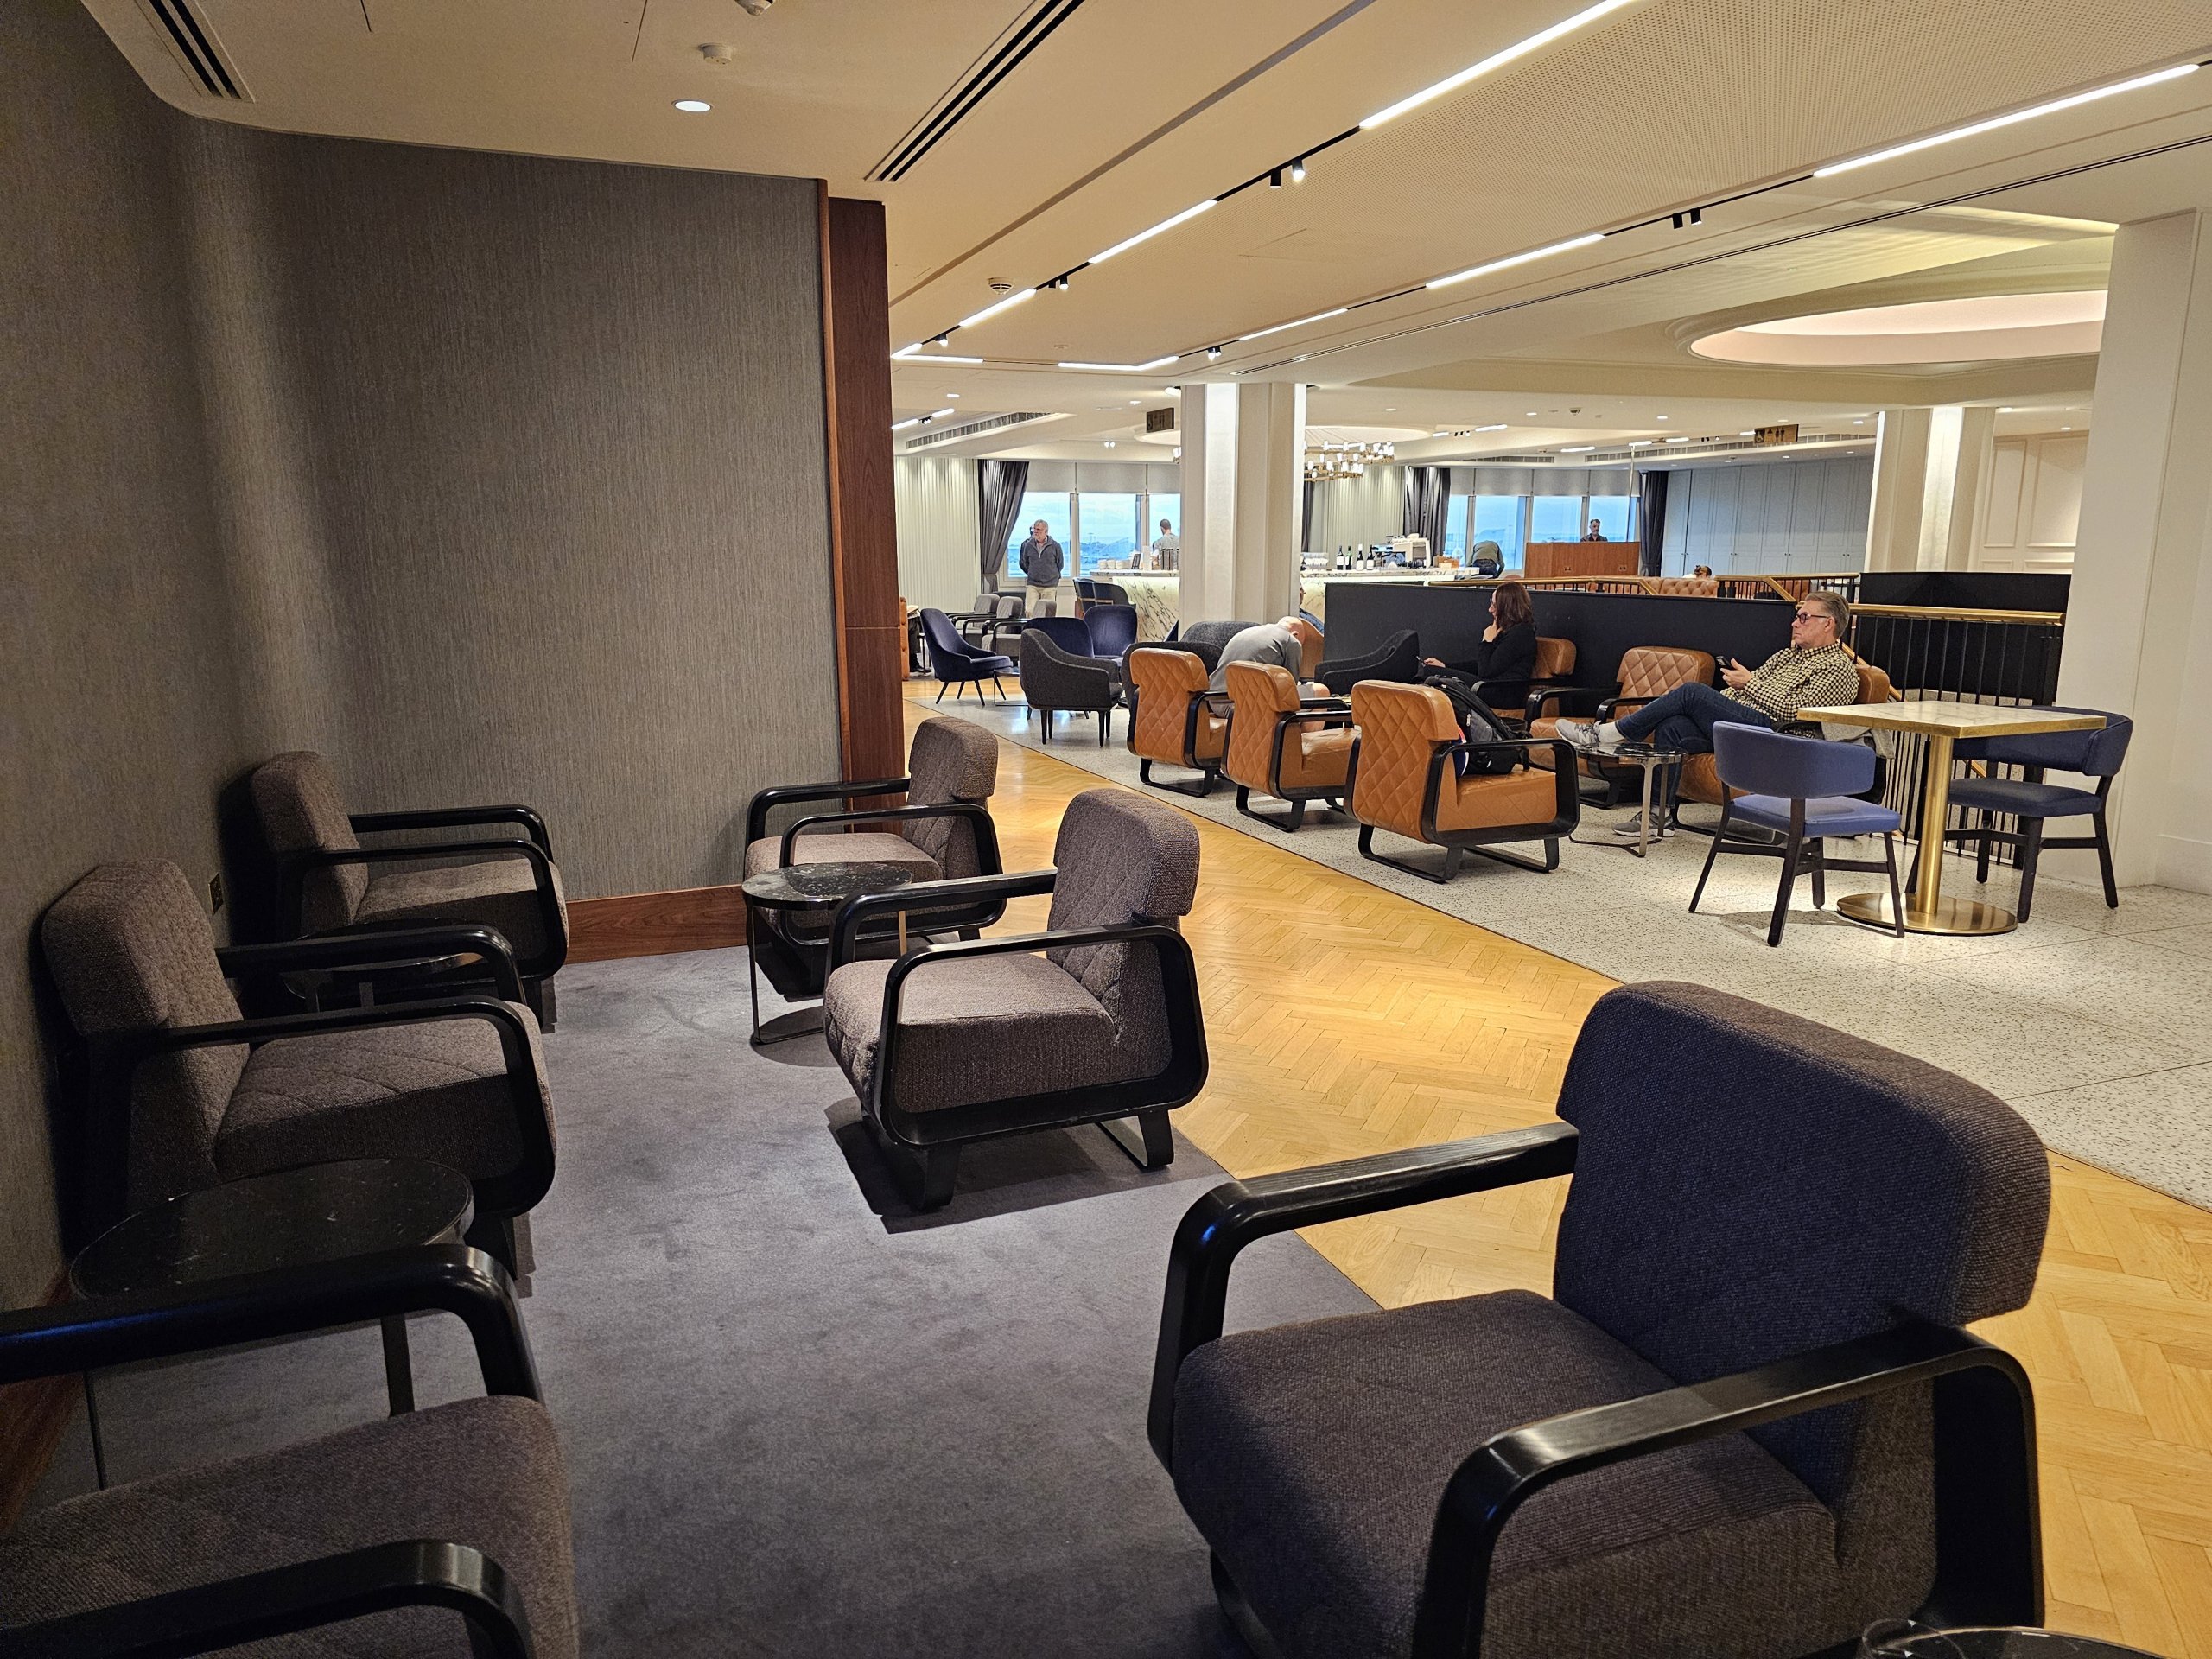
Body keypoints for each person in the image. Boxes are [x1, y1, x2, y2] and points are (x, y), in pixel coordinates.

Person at [1556, 591, 1861, 839]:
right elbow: (1743, 694)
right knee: (1674, 725)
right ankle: (1659, 815)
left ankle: (1607, 733)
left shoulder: (1838, 668)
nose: (1795, 623)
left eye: (1804, 617)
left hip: (1780, 736)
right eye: (1797, 615)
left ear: (1828, 624)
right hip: (1746, 725)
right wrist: (1726, 696)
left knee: (1692, 692)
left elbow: (1798, 712)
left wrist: (1749, 683)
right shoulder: (1785, 656)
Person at [1422, 579, 1536, 696]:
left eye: (1495, 606)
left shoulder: (1521, 634)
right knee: (1433, 672)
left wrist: (1487, 641)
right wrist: (1445, 666)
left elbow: (1485, 672)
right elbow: (1481, 664)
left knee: (1433, 673)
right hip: (1489, 685)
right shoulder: (1508, 630)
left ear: (1507, 609)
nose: (1490, 609)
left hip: (1502, 692)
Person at [1208, 617, 1324, 692]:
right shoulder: (1291, 640)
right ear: (1295, 634)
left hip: (1215, 700)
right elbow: (1289, 689)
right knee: (1321, 691)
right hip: (1245, 705)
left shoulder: (1248, 631)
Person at [1017, 518, 1064, 607]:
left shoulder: (1055, 546)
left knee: (1047, 611)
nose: (1036, 532)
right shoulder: (1028, 545)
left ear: (1046, 531)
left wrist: (1050, 574)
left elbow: (1060, 564)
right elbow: (1025, 563)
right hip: (1033, 584)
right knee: (1030, 610)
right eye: (1034, 529)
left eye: (1038, 529)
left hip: (1050, 585)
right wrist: (1033, 572)